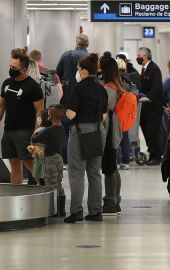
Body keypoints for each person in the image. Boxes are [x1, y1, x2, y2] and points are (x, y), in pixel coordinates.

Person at [64, 53, 108, 223]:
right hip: (97, 130)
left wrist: (67, 112)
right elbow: (104, 115)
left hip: (79, 132)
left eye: (78, 69)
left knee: (76, 172)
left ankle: (76, 211)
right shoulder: (101, 89)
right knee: (95, 173)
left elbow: (71, 114)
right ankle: (96, 211)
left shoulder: (78, 88)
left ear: (83, 71)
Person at [0, 51, 44, 184]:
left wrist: (36, 134)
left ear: (23, 69)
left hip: (26, 131)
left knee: (30, 163)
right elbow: (1, 106)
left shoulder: (33, 87)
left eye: (14, 68)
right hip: (9, 131)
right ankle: (16, 196)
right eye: (10, 66)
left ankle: (43, 189)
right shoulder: (6, 83)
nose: (10, 69)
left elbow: (40, 111)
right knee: (14, 164)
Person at [56, 34, 89, 168]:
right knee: (83, 129)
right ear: (87, 44)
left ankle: (65, 160)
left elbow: (57, 74)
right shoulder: (90, 58)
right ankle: (82, 159)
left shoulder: (66, 55)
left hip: (67, 96)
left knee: (65, 129)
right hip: (85, 98)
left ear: (76, 43)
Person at [31, 104, 66, 217]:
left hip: (50, 158)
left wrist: (39, 127)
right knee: (58, 183)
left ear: (50, 116)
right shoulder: (61, 129)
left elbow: (34, 139)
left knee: (50, 184)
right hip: (60, 158)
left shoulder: (48, 130)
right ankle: (61, 210)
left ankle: (53, 210)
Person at [99, 56, 124, 216]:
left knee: (108, 166)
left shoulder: (108, 89)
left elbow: (104, 110)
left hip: (108, 128)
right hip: (115, 127)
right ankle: (115, 199)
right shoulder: (118, 85)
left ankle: (110, 202)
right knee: (112, 165)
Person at [136, 47, 167, 166]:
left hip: (153, 107)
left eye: (139, 55)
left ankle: (156, 156)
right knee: (146, 130)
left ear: (145, 56)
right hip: (145, 108)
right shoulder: (144, 69)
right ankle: (152, 152)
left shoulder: (154, 68)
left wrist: (147, 97)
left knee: (152, 132)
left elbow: (157, 87)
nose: (137, 57)